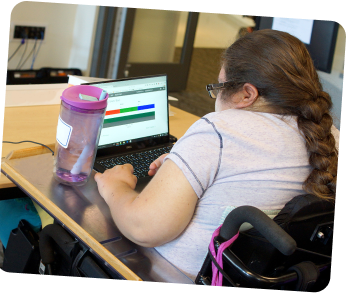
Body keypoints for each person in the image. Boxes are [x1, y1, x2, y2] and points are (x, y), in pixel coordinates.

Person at [94, 29, 339, 281]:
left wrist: (116, 186)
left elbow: (143, 228)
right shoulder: (329, 136)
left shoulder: (219, 130)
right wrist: (185, 162)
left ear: (247, 94)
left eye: (218, 86)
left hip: (170, 274)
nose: (215, 97)